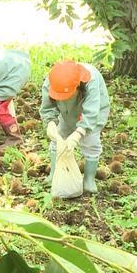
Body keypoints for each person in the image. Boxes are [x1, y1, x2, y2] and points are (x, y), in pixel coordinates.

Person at [40, 60, 110, 193]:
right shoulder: (51, 81)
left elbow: (91, 113)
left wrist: (78, 134)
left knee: (91, 141)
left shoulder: (91, 82)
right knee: (58, 137)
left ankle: (89, 179)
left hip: (93, 111)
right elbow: (48, 107)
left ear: (78, 87)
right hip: (65, 111)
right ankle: (54, 174)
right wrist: (50, 123)